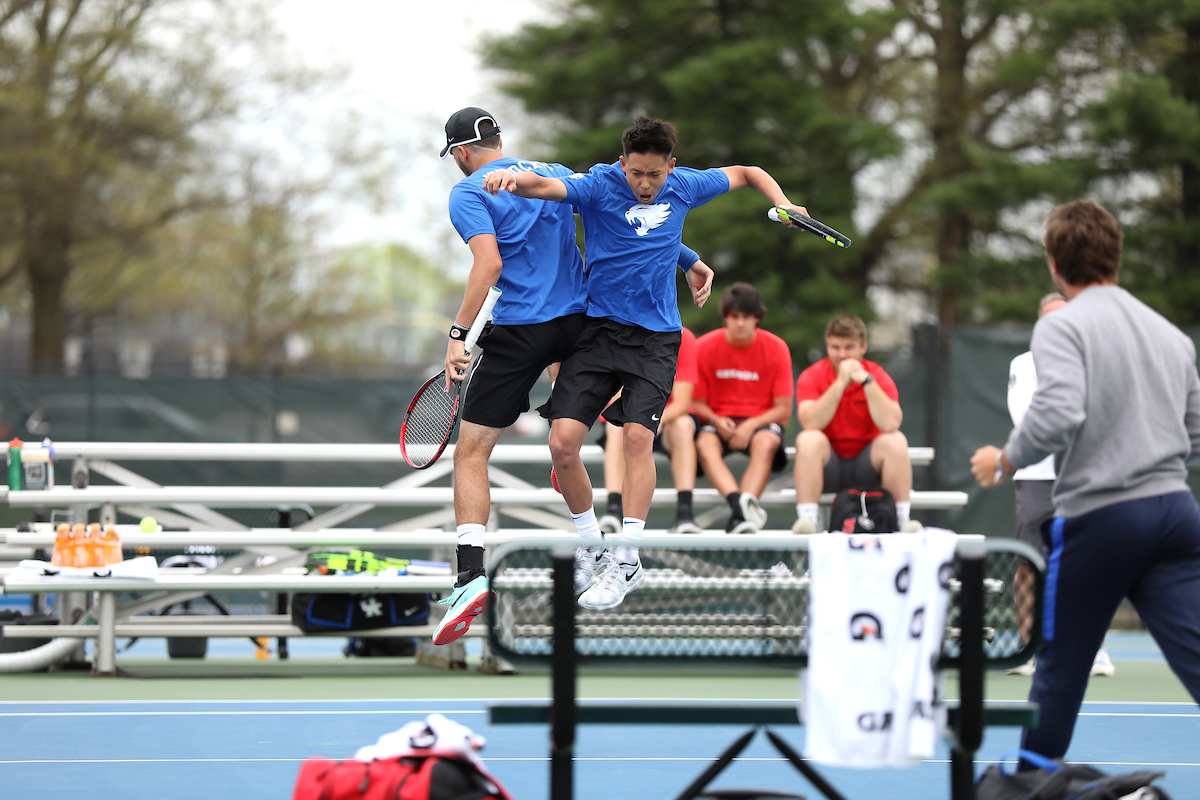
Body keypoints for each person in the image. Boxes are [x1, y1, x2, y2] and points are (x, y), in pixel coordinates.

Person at [484, 116, 803, 610]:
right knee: (562, 444)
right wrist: (512, 179)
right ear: (622, 164)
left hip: (655, 339)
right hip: (598, 330)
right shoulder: (599, 185)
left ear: (671, 167)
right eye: (635, 173)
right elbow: (546, 184)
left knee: (636, 436)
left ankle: (627, 559)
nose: (644, 184)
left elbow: (747, 171)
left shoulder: (686, 185)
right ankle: (592, 546)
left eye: (654, 174)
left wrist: (781, 204)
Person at [432, 108, 704, 644]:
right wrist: (688, 257)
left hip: (520, 331)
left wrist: (459, 334)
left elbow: (487, 267)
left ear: (461, 153)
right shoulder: (551, 170)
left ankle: (469, 576)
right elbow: (623, 218)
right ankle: (595, 547)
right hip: (577, 324)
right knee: (567, 440)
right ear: (499, 140)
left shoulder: (468, 193)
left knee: (471, 452)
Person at [969, 199, 1200, 764]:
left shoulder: (1061, 327)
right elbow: (1193, 430)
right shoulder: (1170, 334)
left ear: (1054, 264)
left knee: (1059, 671)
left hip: (1104, 518)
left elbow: (1056, 414)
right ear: (1115, 255)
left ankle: (1025, 781)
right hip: (1176, 513)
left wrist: (1004, 460)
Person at [1005, 292, 1115, 679]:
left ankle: (1096, 650)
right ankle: (1026, 648)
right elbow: (1029, 419)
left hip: (1085, 477)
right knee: (1028, 565)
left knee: (1091, 565)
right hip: (1036, 478)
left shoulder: (1096, 361)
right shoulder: (1022, 364)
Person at [598, 251, 704, 534]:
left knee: (682, 426)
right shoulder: (617, 331)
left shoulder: (684, 338)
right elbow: (613, 394)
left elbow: (682, 402)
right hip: (630, 420)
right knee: (615, 429)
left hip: (662, 423)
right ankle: (612, 509)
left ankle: (685, 513)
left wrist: (650, 423)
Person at [791, 315, 915, 534]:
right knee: (808, 439)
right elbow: (810, 422)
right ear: (827, 345)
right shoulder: (813, 376)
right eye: (835, 347)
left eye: (849, 347)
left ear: (863, 347)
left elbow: (891, 423)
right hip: (830, 468)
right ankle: (808, 524)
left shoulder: (877, 375)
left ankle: (901, 522)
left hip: (868, 468)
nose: (842, 355)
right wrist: (840, 383)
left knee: (895, 441)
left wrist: (866, 382)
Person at [690, 282, 794, 534]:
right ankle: (741, 509)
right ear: (725, 316)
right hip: (718, 422)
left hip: (760, 424)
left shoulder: (777, 347)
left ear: (757, 318)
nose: (739, 323)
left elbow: (783, 410)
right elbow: (694, 402)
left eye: (746, 317)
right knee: (704, 443)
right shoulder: (703, 346)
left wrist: (750, 425)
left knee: (767, 441)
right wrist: (715, 421)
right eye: (734, 316)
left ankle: (741, 514)